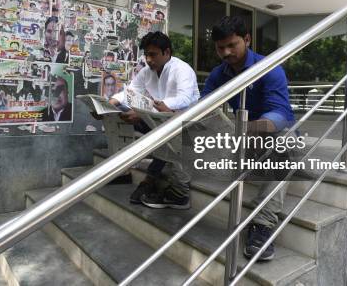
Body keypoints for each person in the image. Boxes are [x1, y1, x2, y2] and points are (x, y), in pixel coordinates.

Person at [200, 16, 295, 261]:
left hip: (272, 130)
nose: (226, 52)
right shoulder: (218, 74)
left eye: (232, 45)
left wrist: (244, 129)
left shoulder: (270, 68)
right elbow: (203, 106)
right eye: (220, 48)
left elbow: (281, 115)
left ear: (247, 40)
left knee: (283, 145)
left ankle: (262, 224)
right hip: (241, 134)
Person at [108, 31, 199, 209]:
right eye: (146, 54)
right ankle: (132, 170)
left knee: (162, 132)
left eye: (153, 54)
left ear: (167, 52)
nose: (148, 59)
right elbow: (131, 92)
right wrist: (111, 102)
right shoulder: (147, 72)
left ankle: (151, 178)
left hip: (186, 124)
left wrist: (144, 112)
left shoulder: (182, 69)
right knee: (119, 110)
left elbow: (185, 99)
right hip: (162, 120)